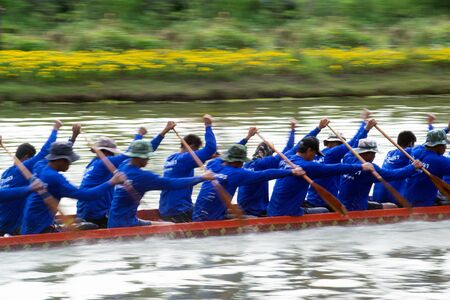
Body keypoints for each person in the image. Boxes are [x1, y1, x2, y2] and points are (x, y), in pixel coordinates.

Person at [77, 122, 175, 228]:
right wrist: (145, 134)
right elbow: (134, 153)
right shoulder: (105, 162)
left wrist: (143, 135)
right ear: (107, 152)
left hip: (84, 212)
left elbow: (136, 153)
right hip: (97, 214)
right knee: (165, 225)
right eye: (112, 153)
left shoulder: (92, 164)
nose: (113, 155)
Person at [21, 141, 126, 235]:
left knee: (80, 221)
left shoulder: (39, 166)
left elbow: (51, 151)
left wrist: (73, 137)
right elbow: (86, 196)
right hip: (39, 229)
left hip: (29, 224)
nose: (70, 164)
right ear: (62, 160)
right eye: (69, 160)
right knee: (91, 227)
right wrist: (112, 182)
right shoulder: (55, 178)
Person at [108, 140, 215, 228]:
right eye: (147, 156)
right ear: (138, 157)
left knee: (169, 224)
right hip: (126, 225)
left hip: (117, 220)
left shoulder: (124, 164)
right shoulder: (142, 176)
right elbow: (172, 184)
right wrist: (202, 177)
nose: (148, 159)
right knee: (172, 227)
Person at [237, 118, 329, 216]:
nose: (273, 155)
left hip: (244, 207)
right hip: (257, 211)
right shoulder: (264, 163)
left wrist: (248, 137)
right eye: (272, 153)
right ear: (268, 153)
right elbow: (293, 149)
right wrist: (318, 129)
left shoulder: (247, 164)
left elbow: (288, 150)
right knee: (325, 210)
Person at [193, 144, 306, 222]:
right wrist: (291, 171)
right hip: (210, 218)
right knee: (254, 220)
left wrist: (247, 137)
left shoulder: (213, 164)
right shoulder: (237, 173)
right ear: (240, 162)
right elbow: (265, 174)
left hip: (197, 213)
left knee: (240, 211)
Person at [268, 136, 374, 217]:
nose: (315, 157)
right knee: (326, 211)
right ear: (309, 150)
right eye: (314, 153)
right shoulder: (307, 166)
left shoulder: (287, 159)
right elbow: (336, 168)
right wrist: (361, 166)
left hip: (272, 210)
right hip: (289, 213)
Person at [0, 120, 62, 235]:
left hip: (2, 224)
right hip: (13, 228)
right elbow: (44, 153)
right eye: (32, 159)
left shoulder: (5, 174)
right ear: (26, 158)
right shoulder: (22, 169)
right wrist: (55, 129)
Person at [306, 114, 376, 208]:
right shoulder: (332, 155)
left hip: (312, 198)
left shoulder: (316, 155)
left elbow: (304, 141)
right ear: (336, 143)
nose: (343, 147)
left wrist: (363, 123)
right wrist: (366, 128)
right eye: (341, 144)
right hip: (326, 203)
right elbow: (352, 144)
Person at [159, 115, 216, 223]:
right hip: (179, 211)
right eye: (196, 150)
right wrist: (208, 125)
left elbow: (184, 166)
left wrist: (207, 157)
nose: (196, 153)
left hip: (165, 210)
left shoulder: (170, 158)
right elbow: (210, 148)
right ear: (192, 147)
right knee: (215, 212)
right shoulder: (186, 158)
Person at [339, 139, 422, 211]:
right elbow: (393, 175)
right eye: (373, 153)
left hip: (342, 203)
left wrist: (366, 129)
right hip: (355, 208)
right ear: (368, 154)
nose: (374, 156)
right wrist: (412, 167)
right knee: (393, 207)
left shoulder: (347, 158)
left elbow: (351, 147)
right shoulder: (370, 169)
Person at [403, 130, 450, 207]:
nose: (445, 148)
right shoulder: (440, 161)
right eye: (444, 145)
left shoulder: (416, 150)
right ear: (438, 146)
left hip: (407, 199)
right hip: (424, 203)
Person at [372, 130, 417, 204]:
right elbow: (426, 149)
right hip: (393, 198)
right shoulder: (408, 151)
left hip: (377, 195)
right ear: (411, 143)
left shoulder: (390, 153)